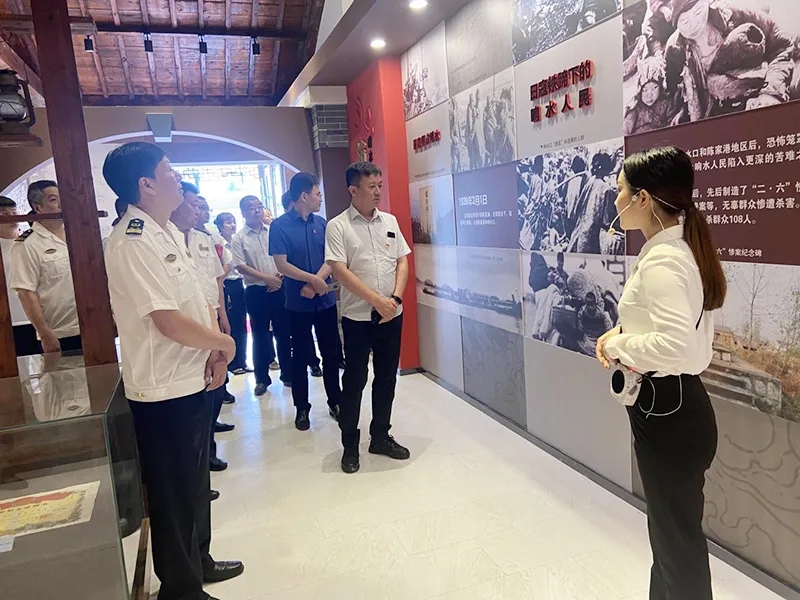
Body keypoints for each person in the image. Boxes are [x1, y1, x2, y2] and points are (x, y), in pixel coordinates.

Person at [102, 142, 243, 600]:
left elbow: (196, 303)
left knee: (194, 485)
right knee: (173, 493)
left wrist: (214, 352)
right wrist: (224, 344)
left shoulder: (166, 232)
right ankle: (181, 589)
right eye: (169, 170)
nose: (178, 176)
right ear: (146, 184)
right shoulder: (133, 241)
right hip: (163, 390)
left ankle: (198, 561)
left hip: (192, 376)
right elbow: (167, 320)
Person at [596, 146, 725, 600]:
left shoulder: (665, 260)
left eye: (621, 191)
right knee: (670, 541)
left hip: (670, 416)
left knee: (677, 548)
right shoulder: (675, 252)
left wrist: (617, 345)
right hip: (675, 410)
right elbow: (672, 331)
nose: (616, 200)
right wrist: (623, 332)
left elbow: (676, 345)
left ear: (644, 198)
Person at [325, 162, 411, 474]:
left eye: (379, 185)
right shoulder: (338, 226)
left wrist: (395, 300)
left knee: (387, 377)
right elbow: (339, 271)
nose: (378, 192)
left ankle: (380, 437)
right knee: (355, 381)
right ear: (353, 190)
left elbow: (402, 261)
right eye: (371, 186)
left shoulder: (389, 221)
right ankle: (350, 444)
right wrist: (377, 301)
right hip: (358, 318)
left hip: (391, 315)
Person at [270, 173, 342, 431]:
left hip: (324, 300)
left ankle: (336, 401)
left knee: (331, 354)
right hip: (297, 303)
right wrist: (311, 280)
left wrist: (316, 283)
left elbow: (331, 258)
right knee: (299, 356)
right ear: (303, 196)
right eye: (317, 194)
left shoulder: (322, 224)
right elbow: (282, 265)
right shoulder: (279, 226)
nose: (320, 198)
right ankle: (302, 408)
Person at [172, 182, 234, 474]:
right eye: (193, 205)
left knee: (214, 387)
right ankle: (194, 460)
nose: (198, 211)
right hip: (184, 326)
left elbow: (216, 280)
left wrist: (222, 315)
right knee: (193, 392)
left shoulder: (203, 239)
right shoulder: (165, 239)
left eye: (199, 206)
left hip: (211, 319)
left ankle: (208, 450)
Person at [10, 181, 81, 355]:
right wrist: (45, 333)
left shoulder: (78, 234)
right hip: (60, 333)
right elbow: (26, 293)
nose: (61, 204)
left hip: (93, 325)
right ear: (38, 207)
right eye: (53, 199)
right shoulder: (27, 244)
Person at [231, 195, 291, 395]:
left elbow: (285, 255)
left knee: (283, 333)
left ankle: (288, 374)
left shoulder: (274, 230)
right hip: (256, 291)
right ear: (243, 212)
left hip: (280, 286)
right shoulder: (239, 238)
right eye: (251, 207)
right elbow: (240, 265)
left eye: (259, 206)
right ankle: (262, 379)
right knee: (260, 336)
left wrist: (278, 277)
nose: (256, 210)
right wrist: (267, 279)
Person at [214, 212, 251, 375]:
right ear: (220, 226)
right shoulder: (218, 243)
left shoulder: (237, 241)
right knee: (230, 324)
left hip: (238, 284)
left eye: (233, 221)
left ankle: (242, 360)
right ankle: (232, 363)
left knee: (242, 323)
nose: (232, 225)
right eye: (228, 222)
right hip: (225, 284)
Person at [0, 196, 37, 356]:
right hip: (9, 321)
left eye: (14, 212)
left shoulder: (31, 241)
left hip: (37, 317)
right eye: (4, 214)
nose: (11, 217)